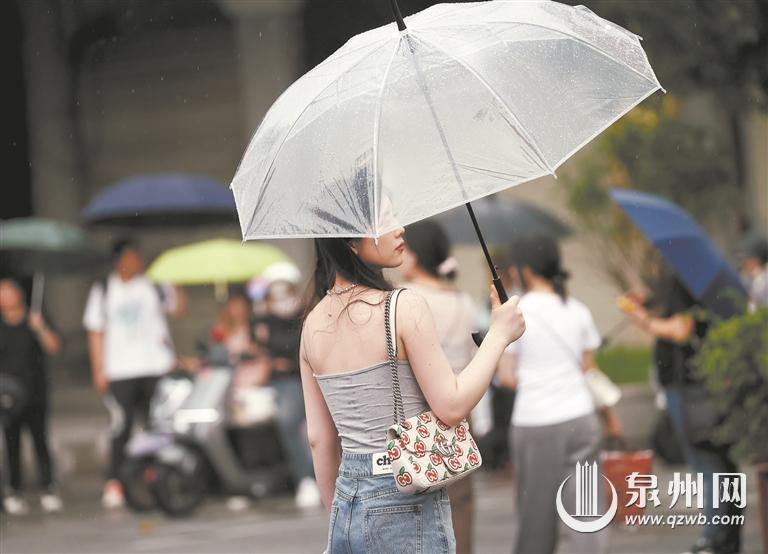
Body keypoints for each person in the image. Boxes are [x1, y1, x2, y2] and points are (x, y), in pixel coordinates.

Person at [299, 222, 525, 553]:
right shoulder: (401, 305)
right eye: (384, 221)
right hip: (405, 491)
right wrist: (499, 335)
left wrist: (339, 511)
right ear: (350, 241)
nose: (400, 228)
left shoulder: (312, 323)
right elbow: (451, 405)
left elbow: (318, 439)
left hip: (347, 501)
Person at [495, 235, 611, 554]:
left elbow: (506, 377)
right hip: (581, 420)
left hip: (535, 423)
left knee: (537, 522)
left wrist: (537, 381)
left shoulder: (515, 314)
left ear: (525, 271)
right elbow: (589, 370)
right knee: (587, 514)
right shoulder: (578, 310)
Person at [619, 270, 743, 554]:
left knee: (708, 464)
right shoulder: (706, 284)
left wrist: (642, 318)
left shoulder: (691, 286)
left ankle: (715, 539)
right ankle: (724, 538)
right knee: (718, 464)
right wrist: (647, 305)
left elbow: (680, 328)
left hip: (693, 389)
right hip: (700, 386)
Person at [83, 238, 185, 509]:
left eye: (137, 256)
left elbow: (176, 309)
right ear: (118, 260)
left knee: (155, 425)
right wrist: (98, 369)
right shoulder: (104, 289)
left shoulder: (153, 284)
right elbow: (96, 332)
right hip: (120, 370)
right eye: (129, 257)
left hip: (154, 366)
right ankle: (116, 480)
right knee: (121, 426)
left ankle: (155, 478)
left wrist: (172, 278)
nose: (135, 262)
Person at [399, 220, 478, 554]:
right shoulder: (463, 301)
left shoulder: (408, 300)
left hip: (417, 420)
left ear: (415, 257)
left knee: (412, 513)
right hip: (458, 417)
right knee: (458, 506)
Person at [254, 276, 321, 509]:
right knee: (288, 423)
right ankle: (304, 478)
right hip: (283, 384)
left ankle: (313, 477)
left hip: (307, 379)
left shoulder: (306, 315)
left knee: (305, 426)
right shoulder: (263, 322)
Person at [0, 279, 63, 515]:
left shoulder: (35, 317)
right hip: (8, 397)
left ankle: (48, 487)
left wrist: (40, 328)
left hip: (36, 393)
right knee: (11, 444)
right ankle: (14, 491)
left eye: (9, 291)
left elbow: (55, 347)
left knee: (40, 441)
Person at [738, 234, 768, 309]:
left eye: (748, 259)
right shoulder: (750, 279)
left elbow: (753, 310)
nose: (744, 264)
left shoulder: (761, 280)